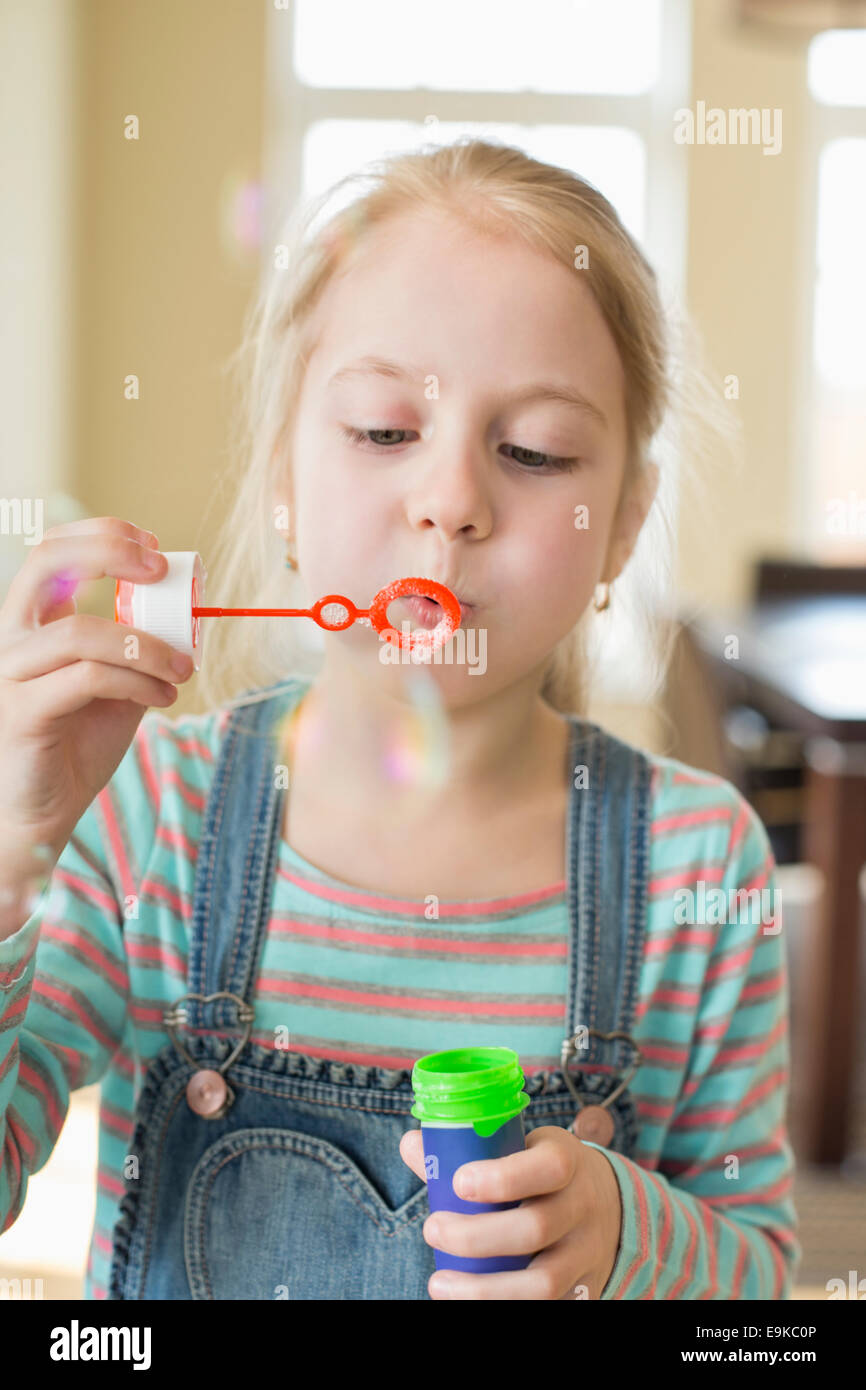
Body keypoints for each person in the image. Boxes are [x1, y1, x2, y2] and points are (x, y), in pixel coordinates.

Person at [0, 139, 800, 1300]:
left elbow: (760, 1291)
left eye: (531, 450)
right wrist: (10, 856)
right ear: (282, 476)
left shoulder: (696, 862)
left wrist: (627, 1235)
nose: (450, 503)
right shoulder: (148, 817)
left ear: (622, 522)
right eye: (383, 430)